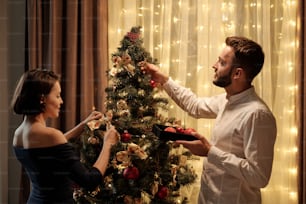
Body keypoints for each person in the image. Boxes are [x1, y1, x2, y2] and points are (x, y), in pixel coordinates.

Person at [140, 36, 277, 204]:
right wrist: (163, 79)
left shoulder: (257, 115)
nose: (214, 65)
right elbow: (195, 106)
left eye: (221, 62)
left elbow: (259, 176)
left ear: (237, 73)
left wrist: (210, 152)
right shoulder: (227, 100)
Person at [11, 69, 119, 204]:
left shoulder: (19, 134)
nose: (61, 101)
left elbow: (51, 150)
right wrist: (108, 143)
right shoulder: (51, 135)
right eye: (57, 96)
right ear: (42, 99)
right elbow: (90, 180)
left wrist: (82, 125)